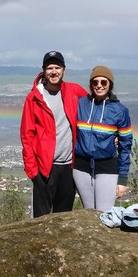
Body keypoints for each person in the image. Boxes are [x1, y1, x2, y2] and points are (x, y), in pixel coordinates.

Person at [20, 51, 88, 218]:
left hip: (69, 167)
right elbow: (26, 136)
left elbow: (96, 107)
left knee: (63, 217)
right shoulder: (34, 98)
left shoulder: (75, 91)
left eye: (57, 67)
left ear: (64, 70)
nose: (54, 71)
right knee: (40, 219)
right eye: (49, 68)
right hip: (44, 169)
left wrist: (114, 134)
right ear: (43, 71)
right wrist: (33, 172)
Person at [73, 65, 133, 212]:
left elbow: (125, 146)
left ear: (110, 85)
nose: (99, 86)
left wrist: (123, 179)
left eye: (103, 82)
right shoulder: (80, 104)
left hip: (107, 166)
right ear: (91, 84)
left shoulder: (120, 111)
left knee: (103, 213)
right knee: (88, 213)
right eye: (95, 82)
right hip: (81, 167)